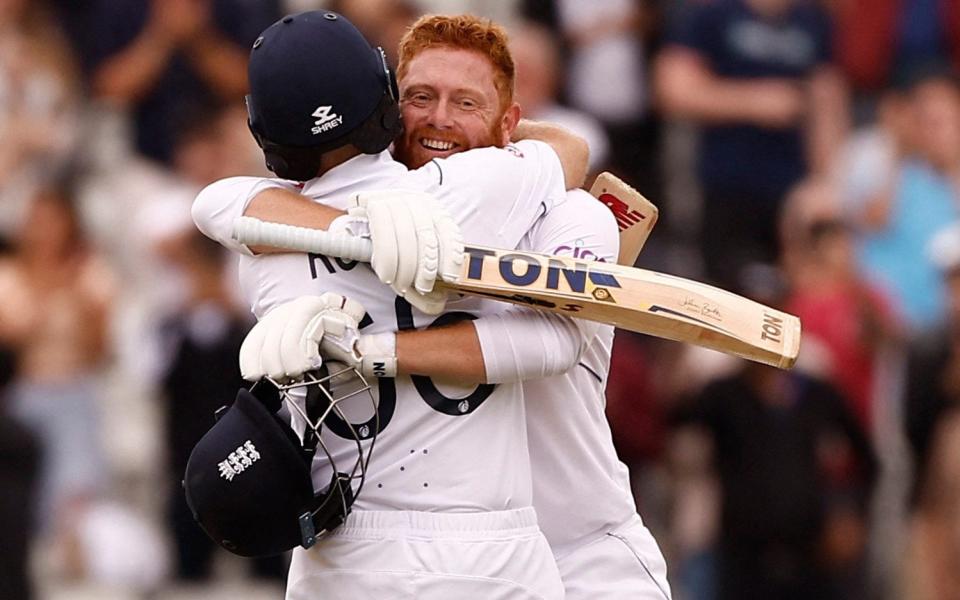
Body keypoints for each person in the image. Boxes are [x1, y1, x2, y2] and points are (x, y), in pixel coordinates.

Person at [226, 13, 671, 599]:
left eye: (466, 102)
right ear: (387, 108)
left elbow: (551, 343)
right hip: (442, 547)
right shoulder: (330, 215)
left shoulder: (571, 213)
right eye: (420, 97)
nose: (440, 118)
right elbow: (227, 204)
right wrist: (345, 230)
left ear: (510, 122)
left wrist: (365, 352)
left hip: (585, 549)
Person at [655, 0, 848, 288]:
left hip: (792, 195)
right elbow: (673, 89)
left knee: (795, 295)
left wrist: (824, 180)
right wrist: (755, 102)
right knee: (723, 293)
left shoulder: (812, 20)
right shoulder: (712, 14)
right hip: (722, 188)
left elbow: (827, 99)